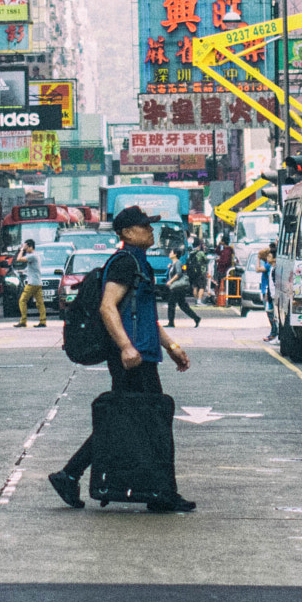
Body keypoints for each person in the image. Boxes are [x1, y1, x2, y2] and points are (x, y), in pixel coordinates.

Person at [49, 206, 194, 513]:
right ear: (127, 233)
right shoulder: (124, 263)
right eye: (145, 226)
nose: (151, 231)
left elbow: (144, 316)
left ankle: (70, 474)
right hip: (131, 358)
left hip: (142, 353)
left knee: (126, 420)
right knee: (151, 422)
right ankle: (162, 493)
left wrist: (171, 346)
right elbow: (107, 307)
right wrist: (126, 348)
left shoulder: (137, 262)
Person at [164, 245, 201, 327]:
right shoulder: (173, 264)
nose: (169, 253)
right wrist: (169, 268)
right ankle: (196, 318)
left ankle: (171, 322)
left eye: (171, 252)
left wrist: (170, 281)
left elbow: (179, 274)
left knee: (171, 304)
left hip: (178, 288)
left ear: (175, 254)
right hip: (177, 287)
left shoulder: (178, 263)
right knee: (182, 305)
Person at [14, 239, 47, 328]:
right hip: (37, 282)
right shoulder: (35, 256)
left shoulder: (32, 256)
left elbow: (19, 259)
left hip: (32, 283)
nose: (25, 249)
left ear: (30, 247)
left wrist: (21, 250)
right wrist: (23, 271)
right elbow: (32, 269)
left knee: (22, 300)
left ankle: (23, 320)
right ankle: (43, 321)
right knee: (40, 303)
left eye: (26, 247)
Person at [258, 245, 278, 342]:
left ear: (274, 258)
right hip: (271, 295)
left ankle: (275, 334)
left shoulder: (273, 268)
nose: (267, 259)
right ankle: (275, 334)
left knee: (274, 316)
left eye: (269, 257)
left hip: (274, 296)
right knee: (272, 314)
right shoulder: (272, 268)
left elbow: (274, 284)